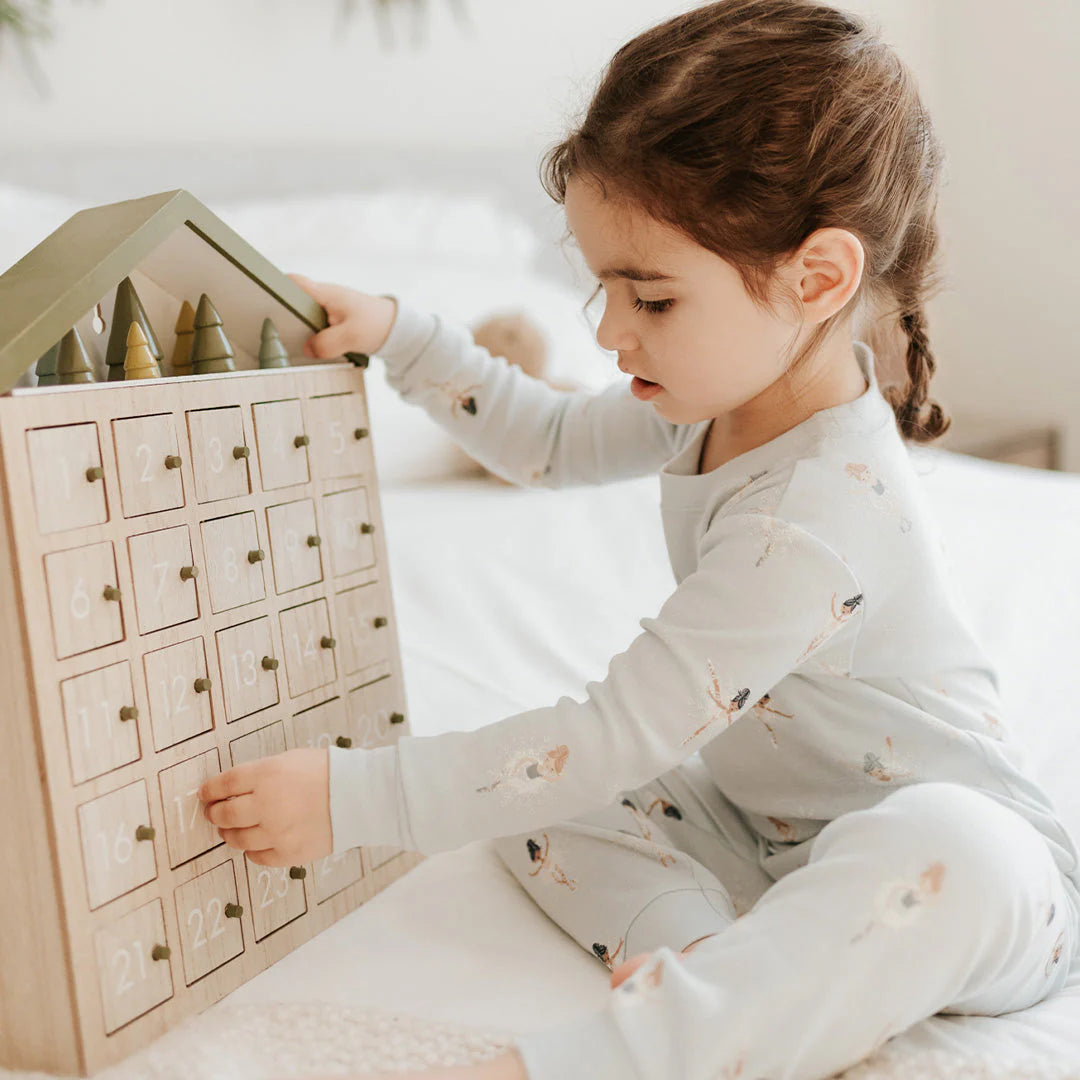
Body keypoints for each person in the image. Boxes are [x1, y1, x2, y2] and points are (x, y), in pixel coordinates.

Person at [197, 2, 1080, 1078]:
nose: (609, 331)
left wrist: (356, 798)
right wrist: (404, 337)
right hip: (763, 833)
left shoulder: (817, 513)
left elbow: (621, 726)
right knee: (540, 793)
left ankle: (618, 1054)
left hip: (973, 880)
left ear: (818, 279)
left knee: (948, 849)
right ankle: (733, 973)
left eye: (650, 297)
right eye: (600, 286)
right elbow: (550, 441)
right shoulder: (717, 393)